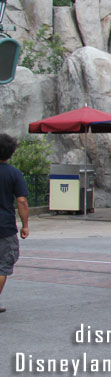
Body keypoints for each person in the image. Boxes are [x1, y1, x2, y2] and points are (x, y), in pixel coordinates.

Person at [0, 133, 30, 313]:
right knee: (3, 265)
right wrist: (25, 225)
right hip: (4, 227)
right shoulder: (13, 173)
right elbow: (22, 201)